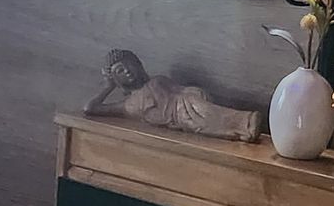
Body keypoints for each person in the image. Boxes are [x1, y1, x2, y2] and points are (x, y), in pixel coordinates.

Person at [85, 49, 261, 143]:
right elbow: (90, 109)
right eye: (120, 71)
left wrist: (192, 92)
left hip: (184, 104)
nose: (127, 72)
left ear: (137, 64)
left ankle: (247, 121)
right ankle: (240, 131)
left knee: (206, 113)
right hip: (177, 123)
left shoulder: (156, 80)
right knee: (204, 126)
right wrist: (108, 86)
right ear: (116, 79)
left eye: (128, 65)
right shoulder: (128, 105)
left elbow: (179, 90)